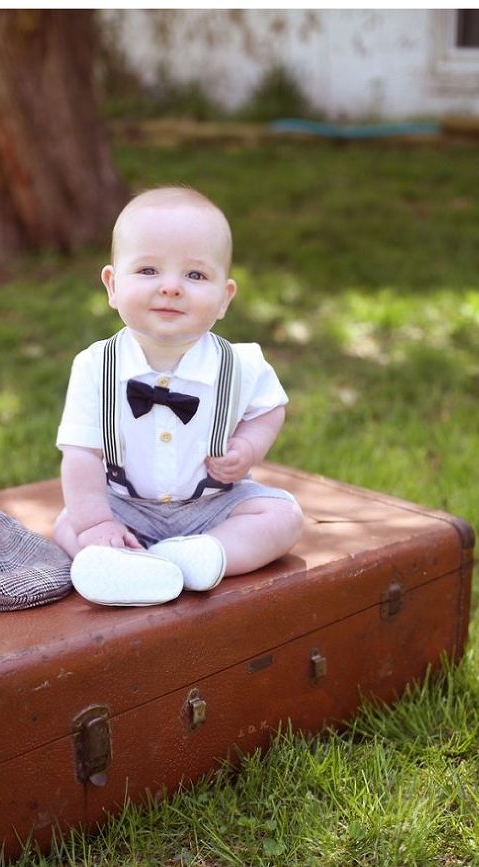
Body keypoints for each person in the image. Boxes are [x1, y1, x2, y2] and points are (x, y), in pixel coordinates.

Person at [53, 186, 304, 606]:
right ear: (113, 286)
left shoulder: (242, 365)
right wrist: (96, 522)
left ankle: (205, 554)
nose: (171, 287)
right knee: (69, 523)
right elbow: (81, 454)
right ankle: (113, 559)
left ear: (224, 298)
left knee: (283, 517)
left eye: (195, 275)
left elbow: (269, 409)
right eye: (149, 270)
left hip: (213, 505)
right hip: (125, 505)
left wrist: (247, 445)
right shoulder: (95, 367)